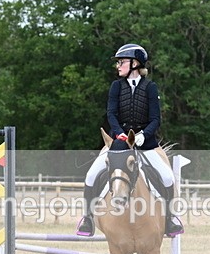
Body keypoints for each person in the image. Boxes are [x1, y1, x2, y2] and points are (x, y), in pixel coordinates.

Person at [76, 43, 184, 237]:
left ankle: (169, 218)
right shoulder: (116, 86)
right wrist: (119, 134)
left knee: (167, 178)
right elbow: (111, 114)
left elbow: (155, 119)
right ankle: (88, 218)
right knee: (91, 175)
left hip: (145, 144)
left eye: (121, 62)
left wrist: (143, 135)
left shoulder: (150, 87)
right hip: (119, 143)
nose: (118, 66)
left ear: (135, 64)